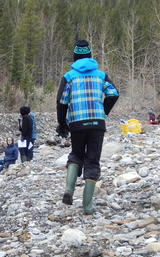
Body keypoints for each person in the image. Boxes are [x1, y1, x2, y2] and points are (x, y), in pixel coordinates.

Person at [56, 40, 119, 215]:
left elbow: (61, 102)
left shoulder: (69, 77)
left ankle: (69, 190)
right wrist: (103, 110)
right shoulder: (101, 75)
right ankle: (87, 206)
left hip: (76, 123)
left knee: (76, 154)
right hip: (97, 123)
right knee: (92, 161)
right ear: (90, 56)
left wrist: (62, 124)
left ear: (75, 57)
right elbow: (114, 93)